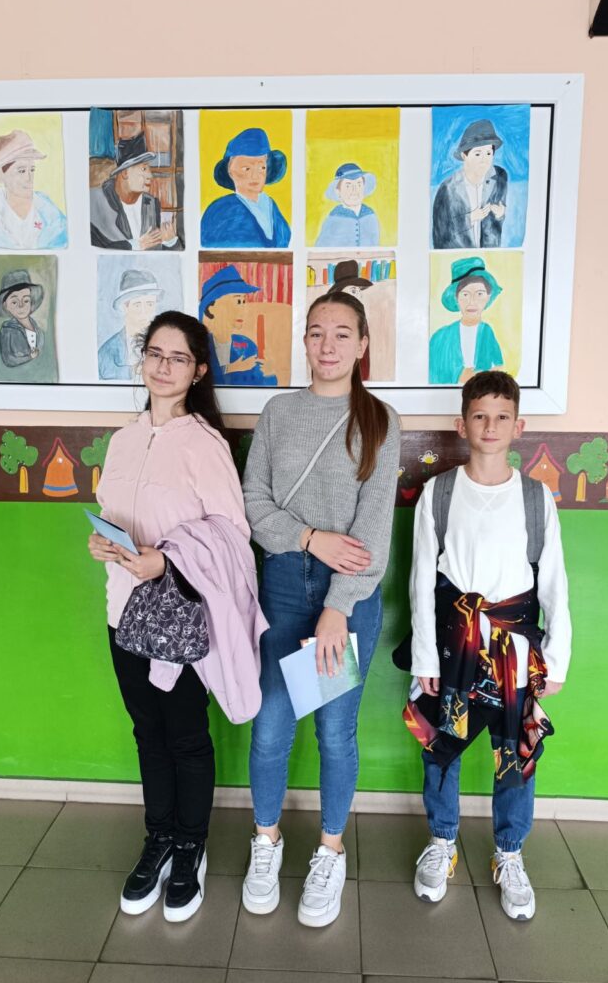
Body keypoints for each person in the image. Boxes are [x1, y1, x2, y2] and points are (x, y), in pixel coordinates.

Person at [89, 310, 261, 923]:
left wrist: (164, 560)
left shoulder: (204, 444)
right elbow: (115, 513)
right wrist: (103, 542)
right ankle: (158, 837)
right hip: (123, 613)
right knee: (147, 732)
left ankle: (191, 847)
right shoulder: (123, 439)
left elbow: (232, 535)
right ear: (143, 360)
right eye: (154, 354)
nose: (163, 366)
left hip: (179, 618)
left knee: (186, 737)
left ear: (198, 371)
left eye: (178, 357)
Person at [241, 291, 400, 927]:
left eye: (341, 333)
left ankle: (330, 851)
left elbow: (375, 530)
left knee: (335, 729)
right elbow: (254, 504)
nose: (327, 345)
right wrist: (309, 539)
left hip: (347, 597)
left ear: (362, 344)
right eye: (315, 333)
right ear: (304, 342)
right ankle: (266, 841)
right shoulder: (278, 412)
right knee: (271, 724)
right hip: (283, 584)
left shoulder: (380, 420)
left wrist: (337, 607)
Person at [408, 371, 571, 921]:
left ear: (518, 426)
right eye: (480, 416)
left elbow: (554, 583)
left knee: (515, 753)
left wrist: (556, 658)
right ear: (462, 424)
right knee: (442, 745)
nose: (490, 426)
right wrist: (425, 657)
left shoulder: (535, 497)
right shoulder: (439, 493)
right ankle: (442, 840)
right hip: (453, 647)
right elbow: (421, 582)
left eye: (502, 417)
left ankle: (510, 851)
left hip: (515, 651)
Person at [200, 128, 291, 248]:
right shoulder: (219, 211)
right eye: (246, 169)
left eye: (262, 168)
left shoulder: (270, 205)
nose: (255, 176)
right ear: (230, 171)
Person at [0, 130, 67, 249]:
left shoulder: (49, 213)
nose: (29, 178)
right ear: (0, 175)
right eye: (21, 171)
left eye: (32, 170)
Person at [90, 134, 180, 250]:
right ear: (125, 173)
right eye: (144, 169)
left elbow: (161, 252)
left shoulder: (152, 204)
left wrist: (171, 242)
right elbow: (94, 250)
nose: (150, 176)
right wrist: (137, 245)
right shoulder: (96, 201)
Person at [432, 119, 507, 250]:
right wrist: (470, 218)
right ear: (464, 155)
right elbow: (441, 234)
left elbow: (495, 225)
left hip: (489, 257)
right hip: (458, 257)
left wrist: (500, 213)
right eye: (478, 154)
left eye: (489, 153)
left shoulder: (499, 177)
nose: (484, 160)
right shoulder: (447, 189)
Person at [428, 256, 504, 384]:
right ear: (456, 298)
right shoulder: (440, 337)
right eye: (465, 294)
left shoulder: (487, 332)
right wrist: (460, 374)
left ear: (487, 297)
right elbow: (434, 373)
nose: (472, 302)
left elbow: (498, 367)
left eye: (479, 294)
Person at [199, 267, 277, 386]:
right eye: (238, 302)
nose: (244, 309)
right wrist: (232, 368)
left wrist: (269, 374)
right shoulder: (202, 345)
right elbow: (198, 377)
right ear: (211, 308)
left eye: (244, 302)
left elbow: (262, 384)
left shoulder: (247, 345)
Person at [98, 269, 163, 380]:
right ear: (124, 307)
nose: (144, 312)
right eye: (137, 305)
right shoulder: (107, 353)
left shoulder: (166, 344)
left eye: (150, 304)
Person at [315, 163, 380, 247]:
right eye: (348, 186)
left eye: (359, 184)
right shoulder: (334, 218)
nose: (354, 190)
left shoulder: (370, 215)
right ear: (338, 191)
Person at [0, 269, 46, 368]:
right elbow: (8, 359)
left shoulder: (40, 332)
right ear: (6, 306)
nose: (21, 306)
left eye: (26, 300)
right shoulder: (7, 330)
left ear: (31, 302)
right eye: (14, 302)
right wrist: (29, 357)